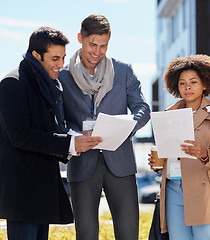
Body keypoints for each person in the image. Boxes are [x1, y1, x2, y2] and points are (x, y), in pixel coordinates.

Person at [0, 26, 102, 240]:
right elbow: (20, 135)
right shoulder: (12, 83)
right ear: (36, 56)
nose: (61, 65)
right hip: (22, 194)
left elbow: (51, 131)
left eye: (63, 58)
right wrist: (70, 144)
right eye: (55, 58)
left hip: (42, 190)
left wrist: (76, 138)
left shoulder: (46, 85)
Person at [58, 14, 150, 240]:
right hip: (82, 162)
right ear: (80, 38)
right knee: (86, 234)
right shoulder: (63, 76)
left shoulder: (123, 71)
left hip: (120, 161)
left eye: (103, 45)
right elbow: (58, 120)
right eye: (92, 44)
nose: (97, 52)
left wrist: (126, 127)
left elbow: (142, 108)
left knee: (129, 233)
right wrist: (75, 136)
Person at [148, 55, 210, 240]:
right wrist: (156, 163)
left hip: (204, 189)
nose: (187, 87)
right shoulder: (167, 114)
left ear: (204, 84)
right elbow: (165, 153)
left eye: (193, 82)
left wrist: (202, 152)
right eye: (182, 83)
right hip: (173, 188)